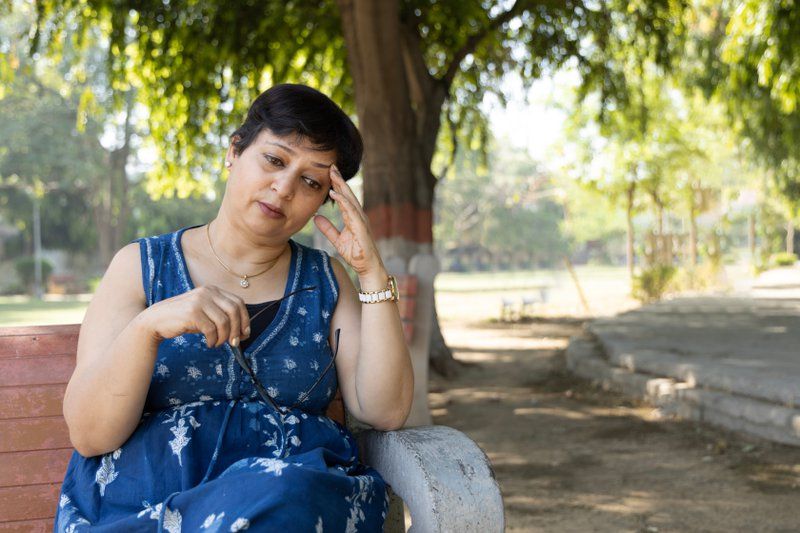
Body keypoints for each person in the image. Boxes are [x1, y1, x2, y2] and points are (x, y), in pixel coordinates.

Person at [54, 83, 415, 532]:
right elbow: (90, 435)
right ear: (234, 151)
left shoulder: (327, 282)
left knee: (283, 496)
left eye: (310, 181)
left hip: (292, 505)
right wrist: (149, 327)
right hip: (146, 505)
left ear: (326, 199)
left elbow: (385, 410)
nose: (283, 188)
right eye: (274, 159)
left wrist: (371, 273)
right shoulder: (142, 268)